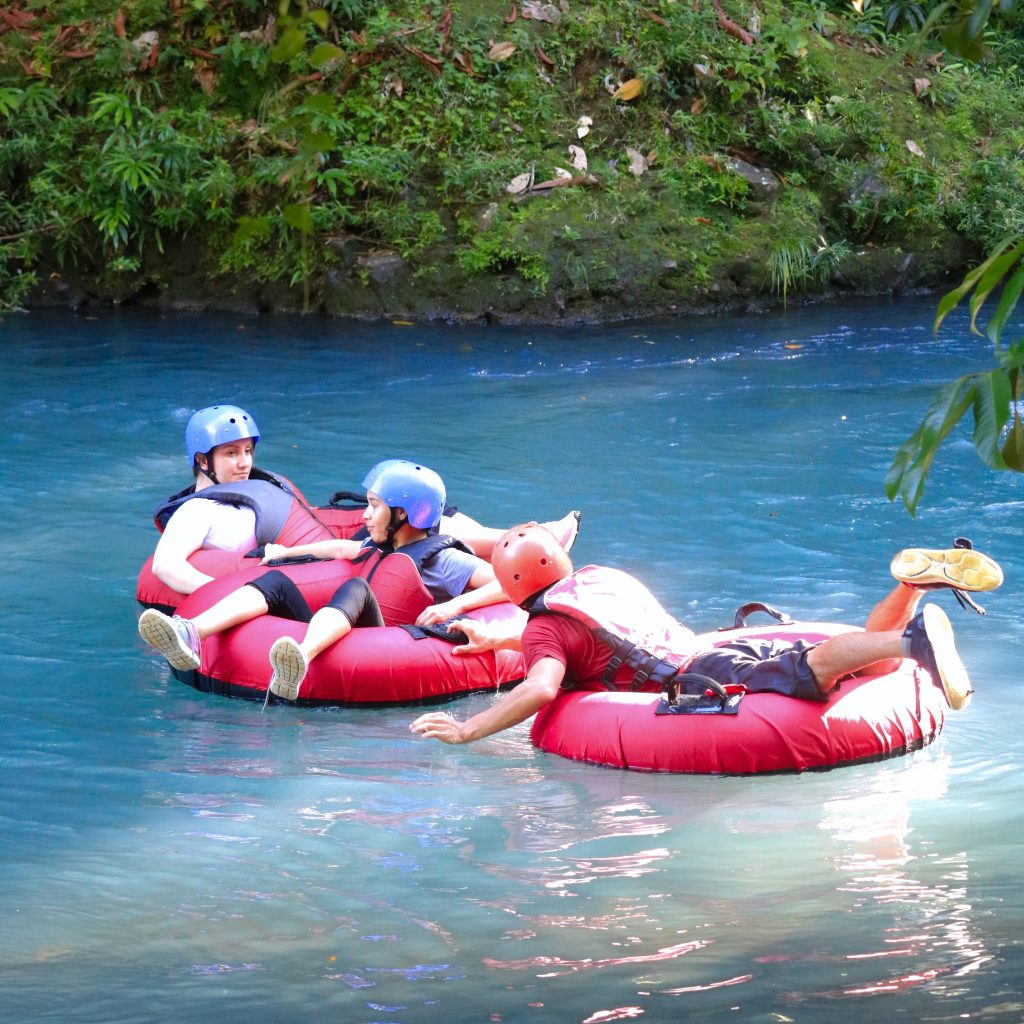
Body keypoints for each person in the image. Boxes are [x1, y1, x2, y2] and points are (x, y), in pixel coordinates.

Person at [410, 525, 1003, 746]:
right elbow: (585, 640)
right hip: (705, 648)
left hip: (700, 679)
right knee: (861, 669)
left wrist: (467, 729)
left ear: (514, 584)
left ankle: (914, 641)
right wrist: (500, 643)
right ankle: (912, 590)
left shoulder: (544, 629)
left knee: (813, 667)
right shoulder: (597, 577)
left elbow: (543, 687)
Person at [139, 460, 529, 702]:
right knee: (275, 582)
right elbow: (339, 551)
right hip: (346, 623)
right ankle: (190, 631)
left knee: (356, 588)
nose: (364, 515)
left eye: (374, 507)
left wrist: (453, 605)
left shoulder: (444, 559)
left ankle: (302, 659)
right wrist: (283, 554)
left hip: (387, 638)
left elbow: (509, 583)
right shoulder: (376, 540)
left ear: (405, 515)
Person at [150, 404, 581, 596]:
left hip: (313, 537)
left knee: (432, 515)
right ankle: (528, 552)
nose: (244, 463)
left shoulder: (251, 486)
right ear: (203, 460)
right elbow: (166, 565)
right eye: (231, 454)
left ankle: (527, 546)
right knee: (419, 529)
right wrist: (216, 592)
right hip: (293, 562)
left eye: (247, 451)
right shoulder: (196, 510)